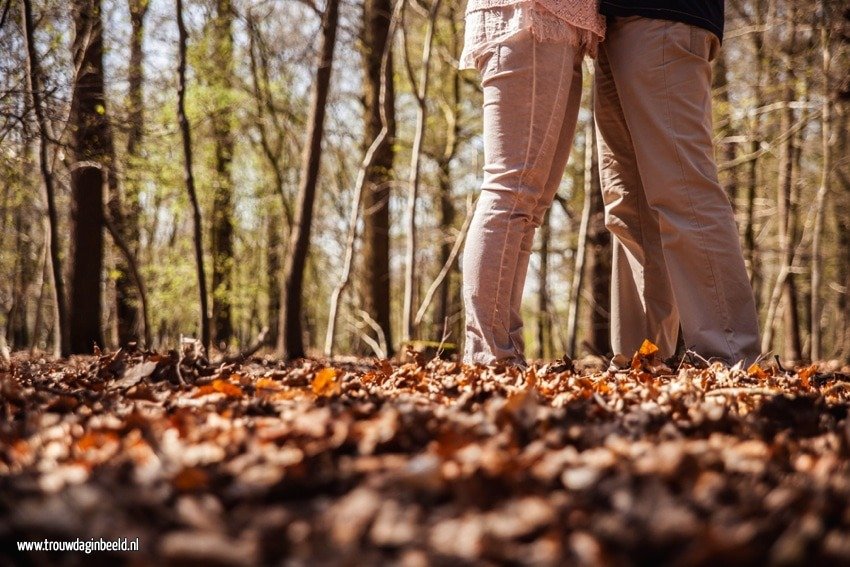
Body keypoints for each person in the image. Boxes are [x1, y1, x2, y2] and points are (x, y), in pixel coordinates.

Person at [594, 1, 761, 365]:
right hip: (612, 26)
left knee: (684, 190)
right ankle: (643, 358)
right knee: (627, 204)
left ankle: (730, 356)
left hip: (665, 15)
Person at [459, 1, 605, 366]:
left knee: (530, 205)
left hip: (559, 25)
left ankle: (502, 350)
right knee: (511, 190)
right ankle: (488, 354)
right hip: (529, 17)